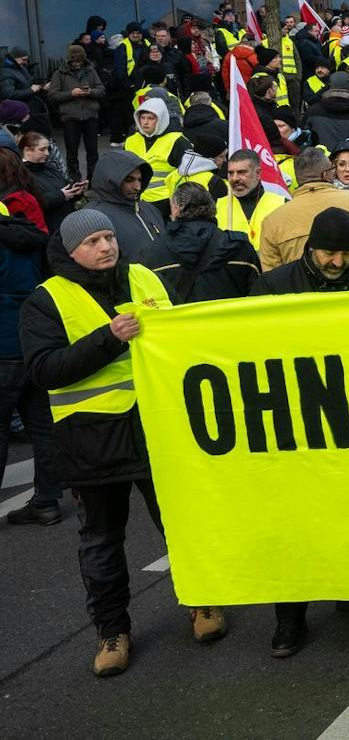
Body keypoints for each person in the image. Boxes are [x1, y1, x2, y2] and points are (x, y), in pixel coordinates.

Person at [20, 209, 225, 675]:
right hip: (92, 440)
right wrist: (108, 339)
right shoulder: (47, 299)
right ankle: (112, 632)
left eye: (109, 236)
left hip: (157, 428)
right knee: (102, 542)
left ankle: (203, 602)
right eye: (92, 241)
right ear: (71, 251)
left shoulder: (143, 277)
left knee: (181, 526)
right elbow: (45, 370)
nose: (106, 246)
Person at [249, 207, 349, 656]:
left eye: (345, 254)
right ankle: (289, 617)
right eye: (329, 253)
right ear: (310, 247)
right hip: (294, 424)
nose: (337, 262)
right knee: (294, 522)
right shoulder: (275, 286)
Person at [0, 177, 59, 527]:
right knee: (42, 426)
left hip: (3, 346)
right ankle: (47, 501)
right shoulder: (30, 235)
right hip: (34, 339)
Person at [257, 148, 349, 273]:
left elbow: (272, 276)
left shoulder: (273, 221)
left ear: (298, 177)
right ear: (327, 174)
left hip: (302, 291)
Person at [139, 182, 260, 302]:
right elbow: (258, 296)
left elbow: (145, 300)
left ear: (176, 208)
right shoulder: (241, 248)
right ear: (212, 207)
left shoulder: (153, 253)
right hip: (231, 314)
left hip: (179, 315)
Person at [85, 149, 166, 265]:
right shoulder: (93, 218)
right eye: (129, 180)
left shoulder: (149, 209)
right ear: (110, 180)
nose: (137, 187)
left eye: (140, 180)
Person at [48, 44, 104, 181]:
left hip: (90, 115)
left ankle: (93, 180)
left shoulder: (91, 71)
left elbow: (101, 90)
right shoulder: (59, 74)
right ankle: (74, 180)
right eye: (74, 61)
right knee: (71, 152)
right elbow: (52, 96)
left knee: (93, 151)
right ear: (69, 60)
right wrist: (71, 94)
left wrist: (90, 92)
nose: (77, 64)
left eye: (80, 61)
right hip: (70, 118)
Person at [214, 149, 285, 245]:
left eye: (241, 172)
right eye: (231, 173)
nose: (234, 178)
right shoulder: (216, 206)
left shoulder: (282, 204)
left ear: (258, 173)